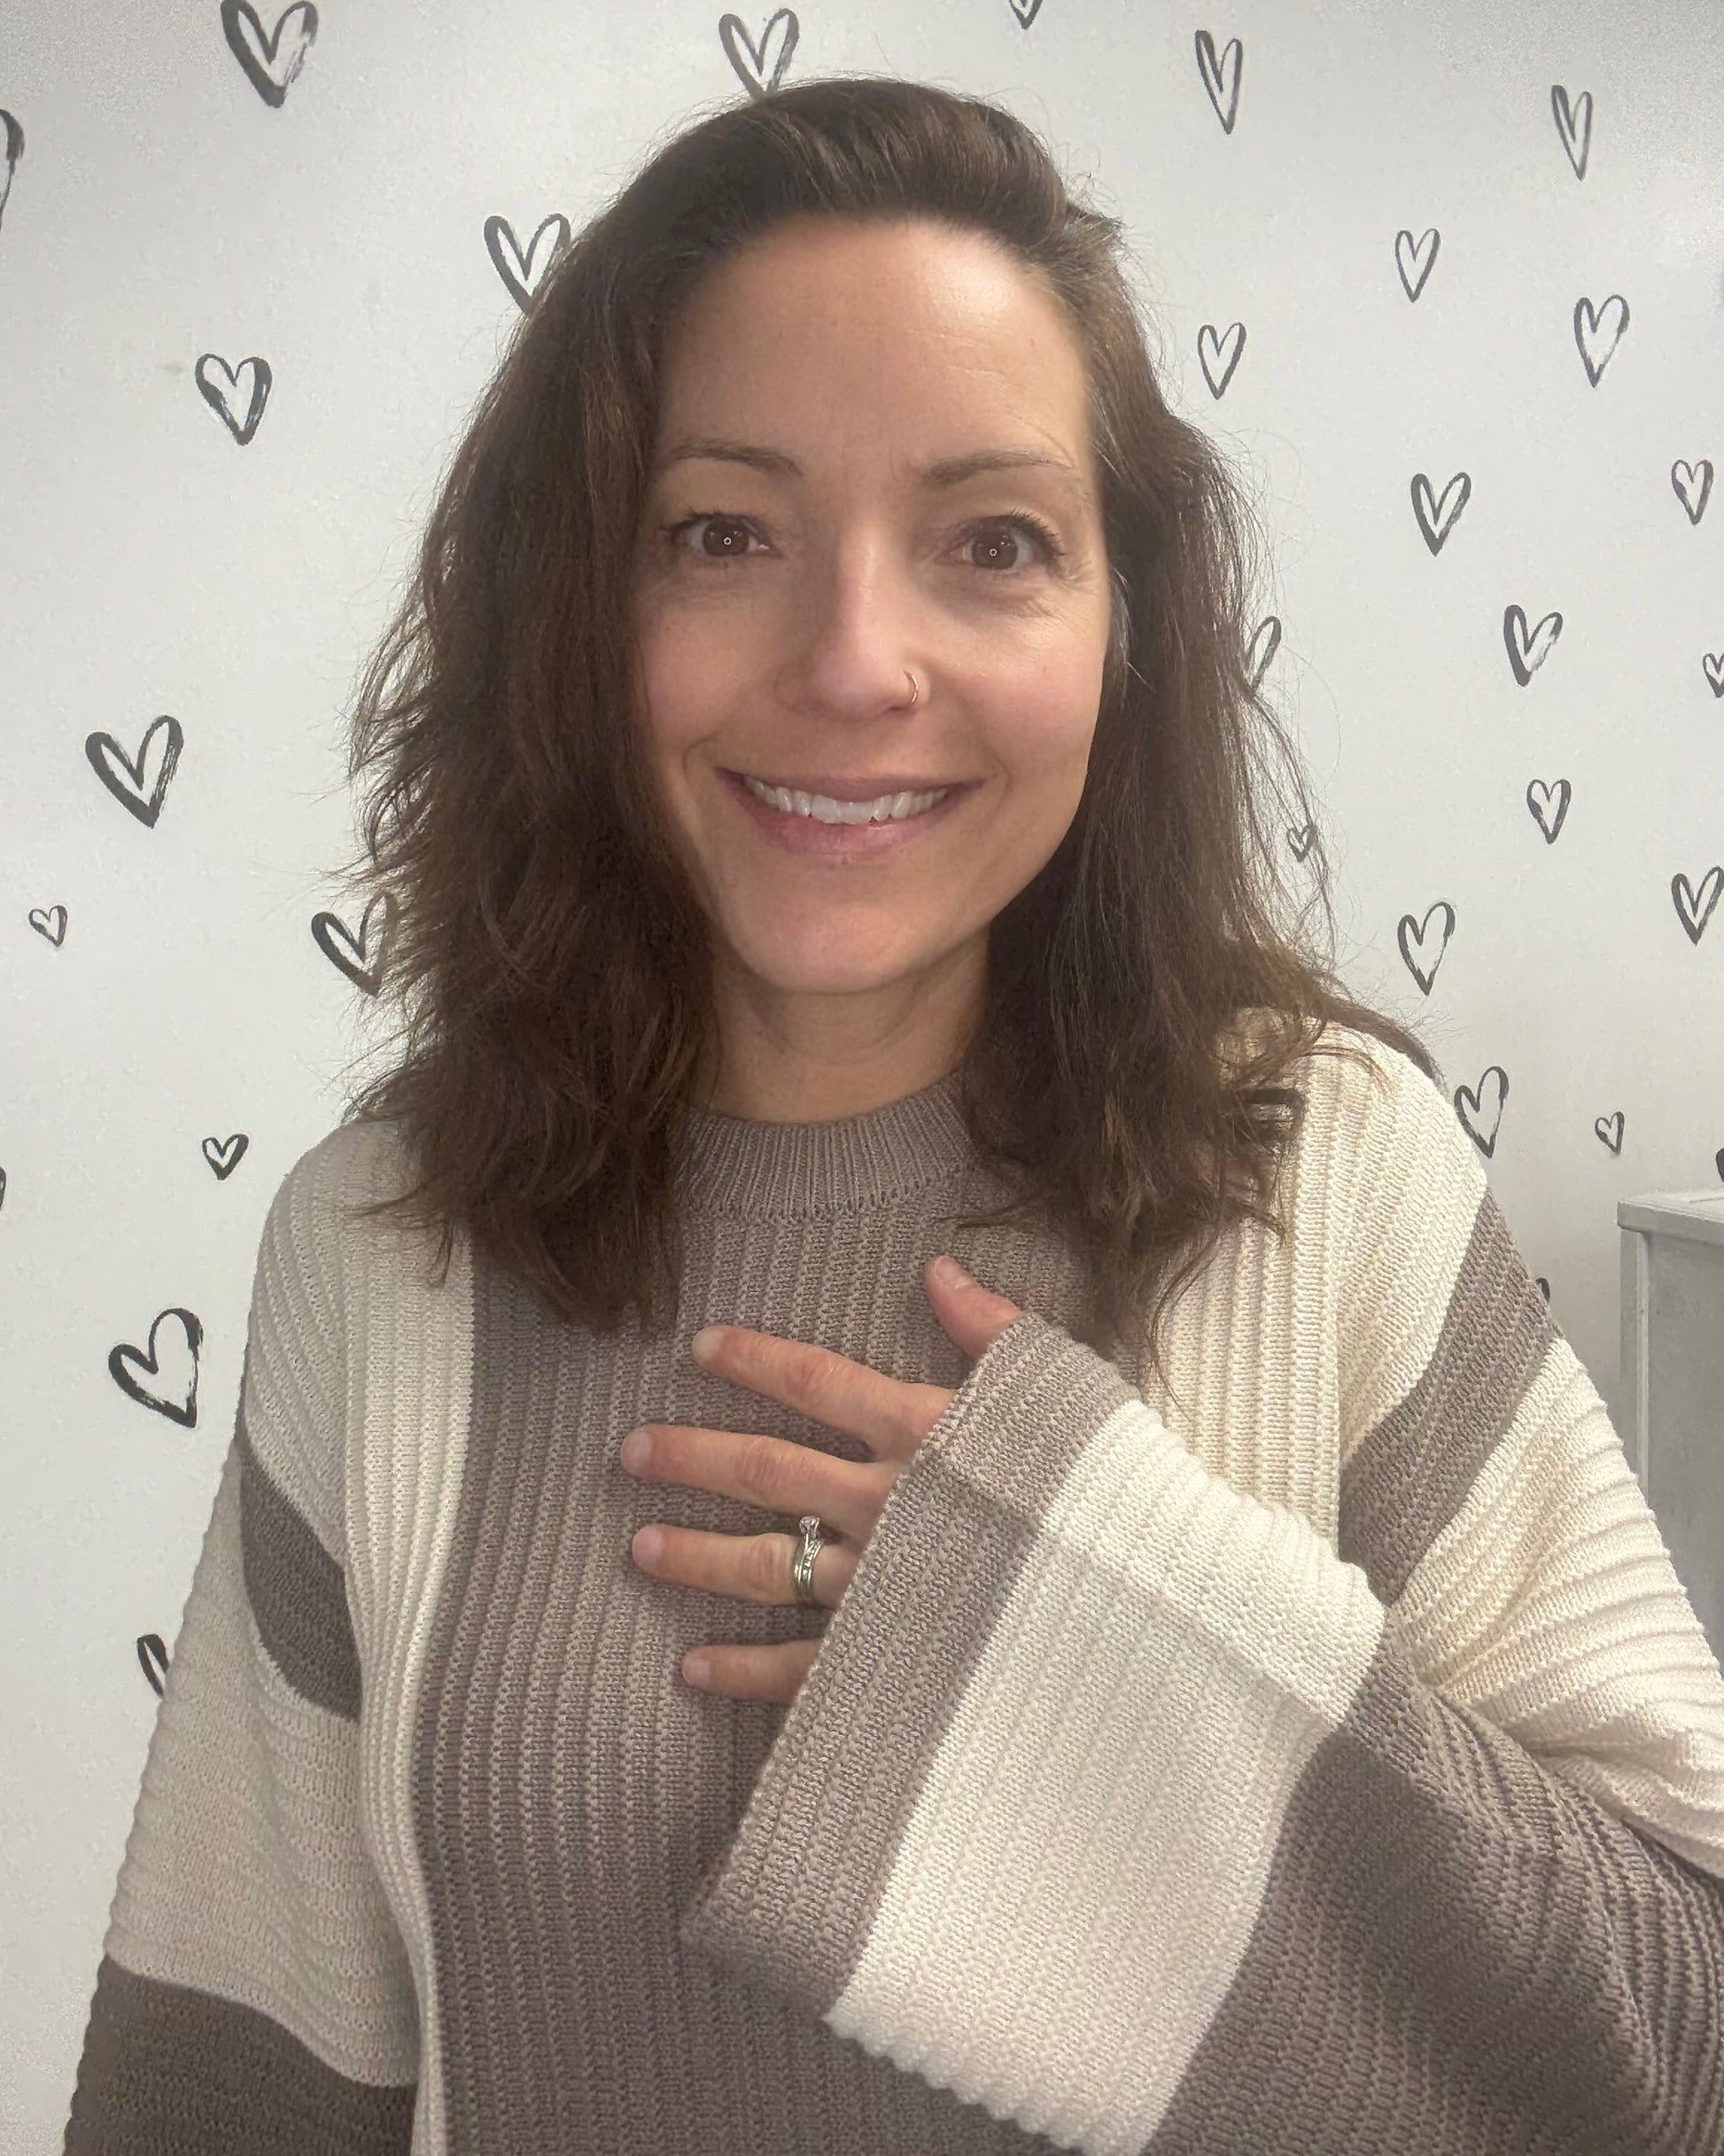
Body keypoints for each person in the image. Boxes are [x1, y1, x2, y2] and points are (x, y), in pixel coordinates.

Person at [65, 74, 1724, 2156]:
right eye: (721, 533)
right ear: (579, 609)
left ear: (1123, 625)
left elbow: (1680, 2025)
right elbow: (222, 2081)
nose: (855, 662)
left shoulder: (1330, 1173)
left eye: (993, 542)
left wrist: (1102, 1629)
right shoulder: (377, 1236)